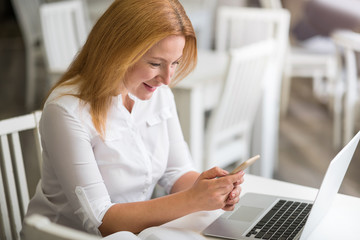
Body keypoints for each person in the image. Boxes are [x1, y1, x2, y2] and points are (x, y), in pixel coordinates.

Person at [22, 0, 244, 237]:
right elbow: (102, 221)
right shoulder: (66, 110)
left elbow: (177, 171)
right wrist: (193, 199)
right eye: (155, 64)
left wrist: (212, 190)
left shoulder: (158, 95)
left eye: (175, 64)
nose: (167, 79)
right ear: (117, 52)